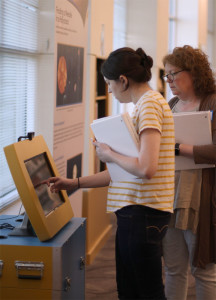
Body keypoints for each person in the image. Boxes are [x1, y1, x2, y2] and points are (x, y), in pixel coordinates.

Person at [43, 47, 175, 300]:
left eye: (110, 84)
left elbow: (146, 168)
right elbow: (124, 172)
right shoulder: (144, 106)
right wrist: (74, 182)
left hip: (143, 213)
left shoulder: (148, 107)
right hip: (137, 213)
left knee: (144, 291)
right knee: (129, 289)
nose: (110, 90)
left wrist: (109, 154)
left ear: (123, 80)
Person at [162, 45, 216, 300]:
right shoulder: (171, 104)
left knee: (204, 271)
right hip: (170, 198)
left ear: (194, 72)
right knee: (173, 270)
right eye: (166, 75)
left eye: (173, 73)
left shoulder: (213, 101)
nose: (169, 80)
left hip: (202, 200)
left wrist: (178, 148)